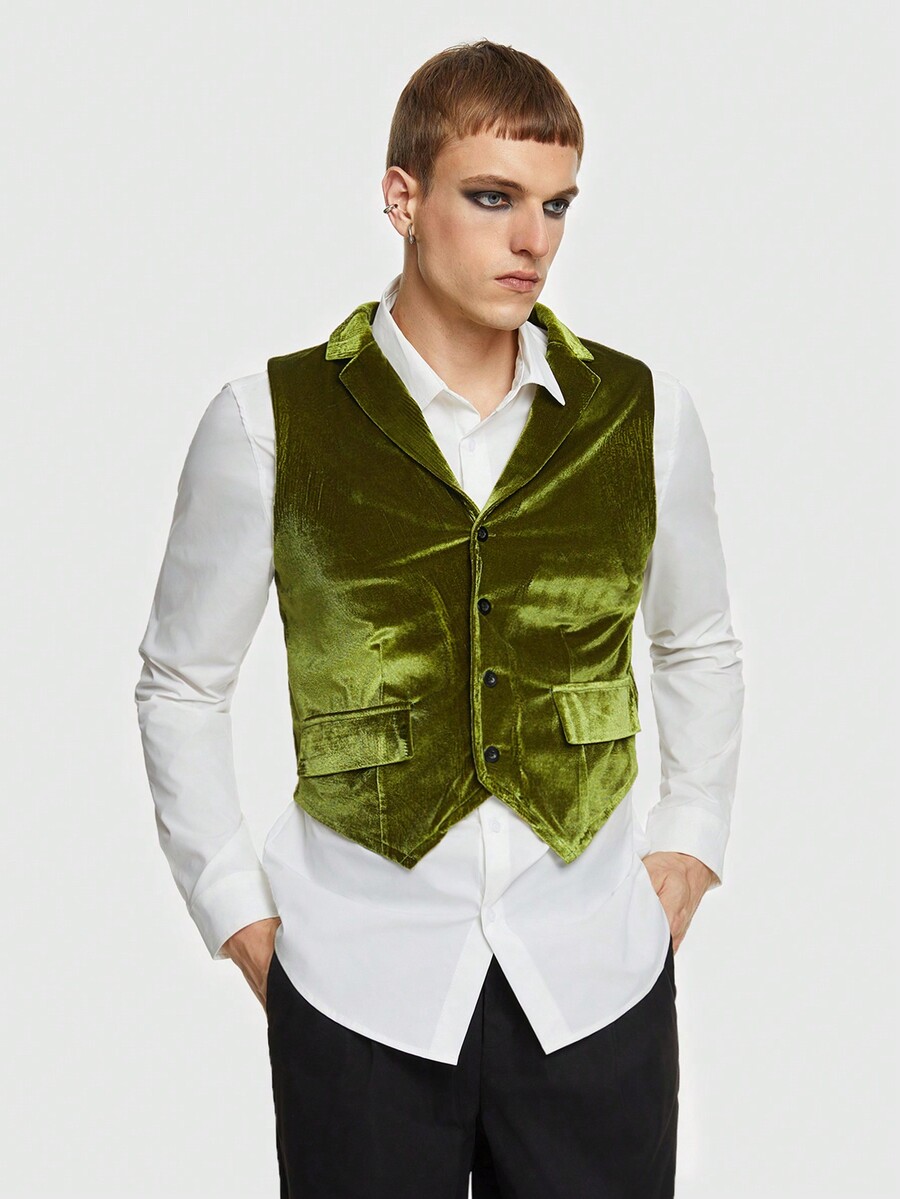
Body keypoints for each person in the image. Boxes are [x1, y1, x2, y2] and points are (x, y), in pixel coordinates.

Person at [134, 38, 744, 1199]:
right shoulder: (269, 420)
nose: (534, 241)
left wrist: (694, 834)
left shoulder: (641, 414)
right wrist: (236, 912)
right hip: (356, 987)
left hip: (595, 983)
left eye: (557, 204)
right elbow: (181, 681)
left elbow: (698, 642)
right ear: (402, 198)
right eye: (493, 198)